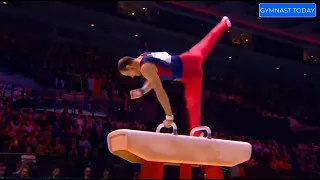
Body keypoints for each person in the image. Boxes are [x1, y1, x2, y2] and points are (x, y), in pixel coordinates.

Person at [118, 16, 231, 129]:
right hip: (189, 58)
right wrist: (143, 90)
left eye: (129, 74)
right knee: (208, 41)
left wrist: (169, 116)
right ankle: (224, 23)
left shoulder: (145, 68)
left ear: (130, 66)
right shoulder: (144, 56)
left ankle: (197, 134)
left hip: (190, 74)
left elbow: (160, 91)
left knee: (193, 107)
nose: (132, 76)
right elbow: (153, 79)